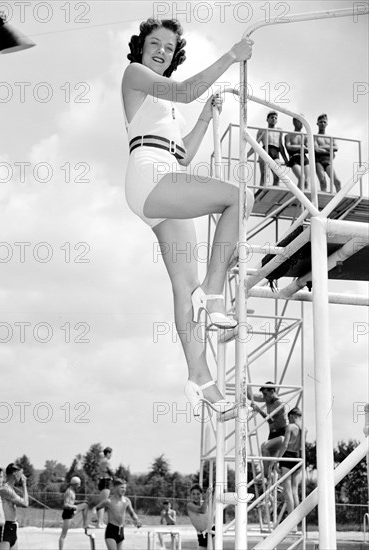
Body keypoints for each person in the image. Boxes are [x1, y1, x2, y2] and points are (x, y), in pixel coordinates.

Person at [122, 18, 254, 422]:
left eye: (168, 46)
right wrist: (232, 56)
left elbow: (183, 156)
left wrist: (204, 117)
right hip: (148, 172)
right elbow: (183, 89)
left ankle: (200, 377)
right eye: (154, 43)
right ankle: (216, 294)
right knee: (237, 197)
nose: (161, 50)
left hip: (163, 172)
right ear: (141, 47)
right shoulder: (135, 75)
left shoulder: (167, 108)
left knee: (185, 285)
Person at [247, 381, 288, 482]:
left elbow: (270, 419)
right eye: (263, 394)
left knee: (264, 447)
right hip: (273, 434)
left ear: (272, 391)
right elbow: (250, 396)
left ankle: (265, 476)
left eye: (265, 394)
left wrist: (259, 410)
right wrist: (246, 384)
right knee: (270, 465)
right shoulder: (267, 399)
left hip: (282, 434)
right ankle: (271, 485)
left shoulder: (279, 403)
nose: (264, 397)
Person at [96, 478, 142, 550]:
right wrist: (97, 519)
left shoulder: (127, 501)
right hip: (111, 530)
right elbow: (97, 508)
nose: (124, 489)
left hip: (121, 530)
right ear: (115, 487)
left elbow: (132, 513)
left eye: (125, 488)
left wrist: (137, 520)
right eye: (122, 487)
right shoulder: (109, 501)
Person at [247, 111, 288, 186]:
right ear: (267, 119)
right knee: (264, 175)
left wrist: (285, 159)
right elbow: (256, 144)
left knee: (278, 175)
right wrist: (246, 155)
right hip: (265, 151)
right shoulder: (262, 130)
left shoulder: (279, 130)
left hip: (275, 152)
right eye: (272, 117)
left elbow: (281, 146)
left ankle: (275, 190)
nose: (274, 119)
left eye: (275, 118)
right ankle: (261, 191)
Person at [278, 407, 302, 524]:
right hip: (298, 458)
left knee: (287, 492)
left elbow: (285, 444)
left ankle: (291, 523)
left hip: (287, 457)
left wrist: (277, 459)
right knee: (295, 491)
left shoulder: (290, 427)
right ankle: (297, 521)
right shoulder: (304, 429)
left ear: (292, 416)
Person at [0, 463, 29, 550]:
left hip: (12, 526)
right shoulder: (5, 489)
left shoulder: (10, 489)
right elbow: (25, 503)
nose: (22, 476)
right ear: (15, 473)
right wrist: (24, 485)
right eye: (21, 473)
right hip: (5, 526)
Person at [59, 476, 88, 550]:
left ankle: (85, 524)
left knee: (85, 505)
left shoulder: (72, 491)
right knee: (63, 535)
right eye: (79, 484)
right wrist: (75, 507)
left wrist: (81, 502)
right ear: (75, 484)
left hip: (72, 511)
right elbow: (65, 505)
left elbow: (71, 502)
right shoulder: (69, 492)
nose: (80, 486)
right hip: (68, 514)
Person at [314, 113, 341, 192]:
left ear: (327, 124)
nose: (322, 124)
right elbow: (316, 149)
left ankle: (339, 199)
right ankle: (323, 199)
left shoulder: (330, 137)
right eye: (321, 122)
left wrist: (322, 147)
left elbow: (336, 148)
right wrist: (329, 149)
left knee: (337, 181)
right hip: (318, 160)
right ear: (317, 123)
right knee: (323, 181)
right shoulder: (315, 136)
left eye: (324, 122)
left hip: (328, 160)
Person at [284, 117, 310, 189]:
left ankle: (304, 198)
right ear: (294, 122)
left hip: (304, 158)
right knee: (302, 178)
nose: (301, 123)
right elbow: (288, 147)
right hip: (294, 158)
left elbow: (309, 149)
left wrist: (297, 147)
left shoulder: (305, 136)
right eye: (299, 121)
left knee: (307, 182)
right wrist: (301, 146)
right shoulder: (288, 135)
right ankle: (299, 196)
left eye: (302, 122)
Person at [187, 485, 213, 549]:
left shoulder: (204, 503)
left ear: (201, 494)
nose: (196, 496)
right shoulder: (190, 505)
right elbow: (202, 510)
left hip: (210, 531)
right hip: (201, 535)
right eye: (193, 494)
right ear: (190, 495)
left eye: (198, 494)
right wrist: (207, 497)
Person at [97, 447, 114, 528]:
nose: (111, 455)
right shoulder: (106, 461)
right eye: (111, 453)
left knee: (103, 502)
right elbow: (111, 471)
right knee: (103, 502)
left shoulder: (101, 461)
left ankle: (101, 522)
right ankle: (99, 523)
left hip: (102, 481)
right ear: (108, 453)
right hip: (105, 481)